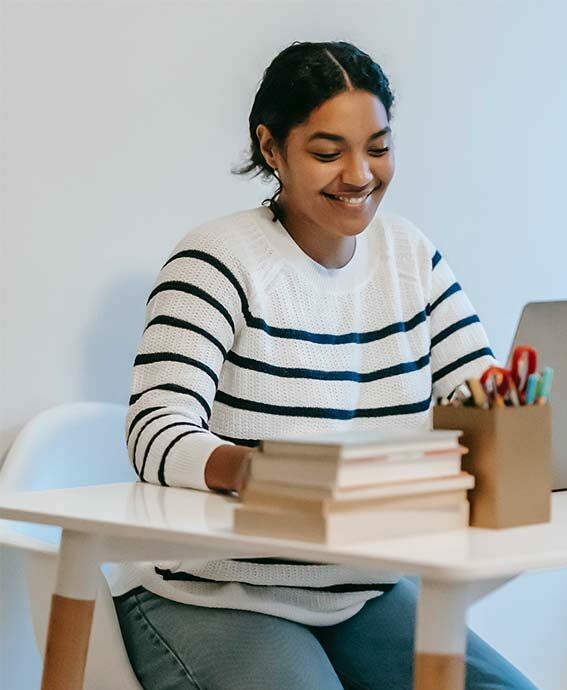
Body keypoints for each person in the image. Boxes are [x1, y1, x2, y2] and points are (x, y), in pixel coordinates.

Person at [112, 40, 538, 690]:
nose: (360, 174)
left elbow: (478, 398)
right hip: (211, 588)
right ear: (271, 148)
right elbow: (156, 431)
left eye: (377, 146)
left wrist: (511, 420)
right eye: (326, 151)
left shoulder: (411, 259)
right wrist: (262, 472)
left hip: (358, 587)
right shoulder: (216, 260)